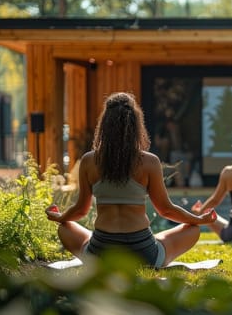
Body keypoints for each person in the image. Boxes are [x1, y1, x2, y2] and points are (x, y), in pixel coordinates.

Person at [45, 92, 216, 268]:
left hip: (101, 251)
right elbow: (166, 210)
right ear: (136, 125)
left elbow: (81, 210)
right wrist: (198, 220)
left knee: (65, 228)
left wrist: (61, 217)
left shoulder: (89, 160)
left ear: (104, 124)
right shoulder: (149, 161)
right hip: (143, 253)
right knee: (192, 230)